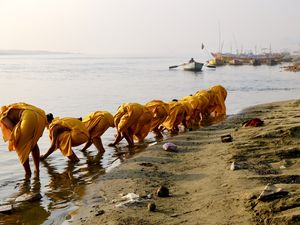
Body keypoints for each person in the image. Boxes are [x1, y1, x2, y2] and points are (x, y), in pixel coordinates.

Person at [0, 102, 49, 176]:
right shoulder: (9, 109)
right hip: (40, 116)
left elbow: (13, 130)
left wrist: (17, 142)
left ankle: (28, 173)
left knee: (19, 145)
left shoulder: (2, 117)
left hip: (28, 117)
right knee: (33, 143)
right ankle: (37, 170)